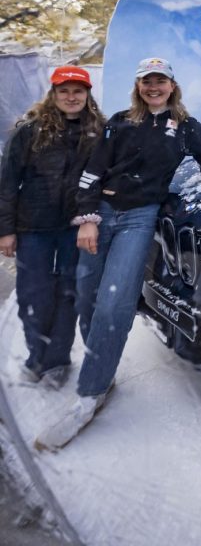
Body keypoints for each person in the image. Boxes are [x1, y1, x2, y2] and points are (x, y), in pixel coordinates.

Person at [35, 57, 201, 451]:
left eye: (160, 81)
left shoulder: (186, 127)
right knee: (87, 295)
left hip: (139, 218)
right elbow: (92, 171)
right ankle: (102, 367)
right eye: (147, 81)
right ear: (138, 86)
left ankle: (90, 394)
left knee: (114, 304)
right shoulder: (119, 122)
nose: (153, 87)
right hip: (101, 214)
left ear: (172, 85)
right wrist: (88, 219)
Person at [0, 66, 104, 389]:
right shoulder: (29, 131)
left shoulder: (99, 133)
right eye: (64, 91)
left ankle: (57, 361)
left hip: (75, 228)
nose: (71, 97)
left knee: (69, 294)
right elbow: (7, 183)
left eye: (78, 91)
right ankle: (36, 358)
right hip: (33, 228)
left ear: (87, 95)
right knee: (34, 294)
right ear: (53, 94)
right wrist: (6, 230)